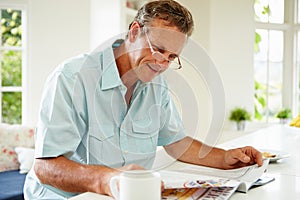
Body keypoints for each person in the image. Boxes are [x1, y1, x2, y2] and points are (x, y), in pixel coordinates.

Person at [24, 0, 263, 199]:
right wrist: (108, 180)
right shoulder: (72, 77)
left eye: (171, 57)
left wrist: (224, 157)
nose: (162, 64)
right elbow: (46, 167)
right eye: (158, 49)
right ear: (135, 31)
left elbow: (176, 142)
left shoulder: (155, 83)